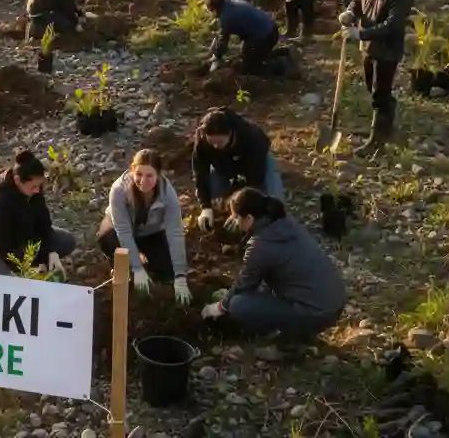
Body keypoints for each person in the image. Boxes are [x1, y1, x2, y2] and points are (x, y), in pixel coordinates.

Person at [200, 188, 346, 338]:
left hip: (316, 313)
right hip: (334, 301)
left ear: (249, 218)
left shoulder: (261, 245)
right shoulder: (284, 222)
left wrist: (220, 307)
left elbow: (244, 284)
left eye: (236, 217)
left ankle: (282, 332)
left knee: (238, 304)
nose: (234, 221)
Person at [339, 0, 414, 155]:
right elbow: (357, 1)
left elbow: (392, 25)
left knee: (379, 94)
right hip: (369, 47)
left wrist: (360, 34)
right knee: (373, 89)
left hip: (387, 50)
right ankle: (387, 119)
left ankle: (377, 141)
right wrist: (350, 13)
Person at [97, 149, 192, 305]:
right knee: (106, 238)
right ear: (132, 171)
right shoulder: (119, 190)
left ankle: (146, 261)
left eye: (149, 176)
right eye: (139, 174)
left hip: (151, 232)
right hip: (121, 230)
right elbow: (123, 231)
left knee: (167, 272)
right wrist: (137, 268)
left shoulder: (167, 194)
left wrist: (180, 276)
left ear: (159, 175)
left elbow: (175, 232)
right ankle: (123, 265)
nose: (143, 181)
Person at [0, 150, 77, 276]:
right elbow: (2, 250)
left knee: (66, 241)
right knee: (9, 281)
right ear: (17, 180)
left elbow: (44, 223)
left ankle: (38, 263)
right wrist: (26, 271)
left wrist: (51, 251)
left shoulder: (33, 188)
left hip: (23, 239)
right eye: (33, 187)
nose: (37, 191)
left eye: (39, 185)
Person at [193, 108, 285, 232]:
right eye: (211, 142)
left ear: (230, 133)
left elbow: (255, 179)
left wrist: (239, 211)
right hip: (224, 163)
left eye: (220, 141)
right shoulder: (203, 140)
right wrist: (206, 207)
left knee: (272, 201)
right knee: (216, 198)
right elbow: (200, 173)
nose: (215, 146)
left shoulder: (251, 138)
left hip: (256, 162)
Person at [206, 0, 281, 74]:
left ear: (214, 9)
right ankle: (282, 52)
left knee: (249, 69)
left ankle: (280, 66)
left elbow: (223, 41)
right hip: (272, 30)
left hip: (265, 38)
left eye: (210, 11)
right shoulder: (234, 3)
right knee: (249, 54)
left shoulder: (226, 17)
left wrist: (217, 56)